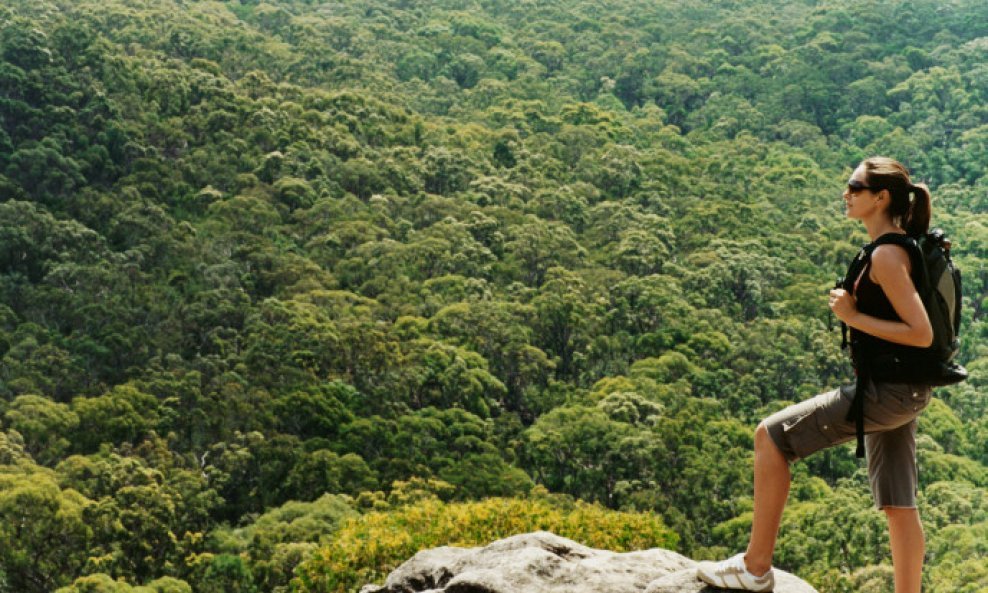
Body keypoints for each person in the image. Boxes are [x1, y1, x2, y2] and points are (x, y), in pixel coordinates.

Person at [696, 157, 935, 593]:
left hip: (888, 393)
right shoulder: (901, 245)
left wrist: (852, 315)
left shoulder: (886, 254)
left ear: (880, 197)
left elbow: (921, 333)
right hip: (908, 390)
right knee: (899, 502)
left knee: (771, 436)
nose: (846, 193)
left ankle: (755, 568)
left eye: (854, 186)